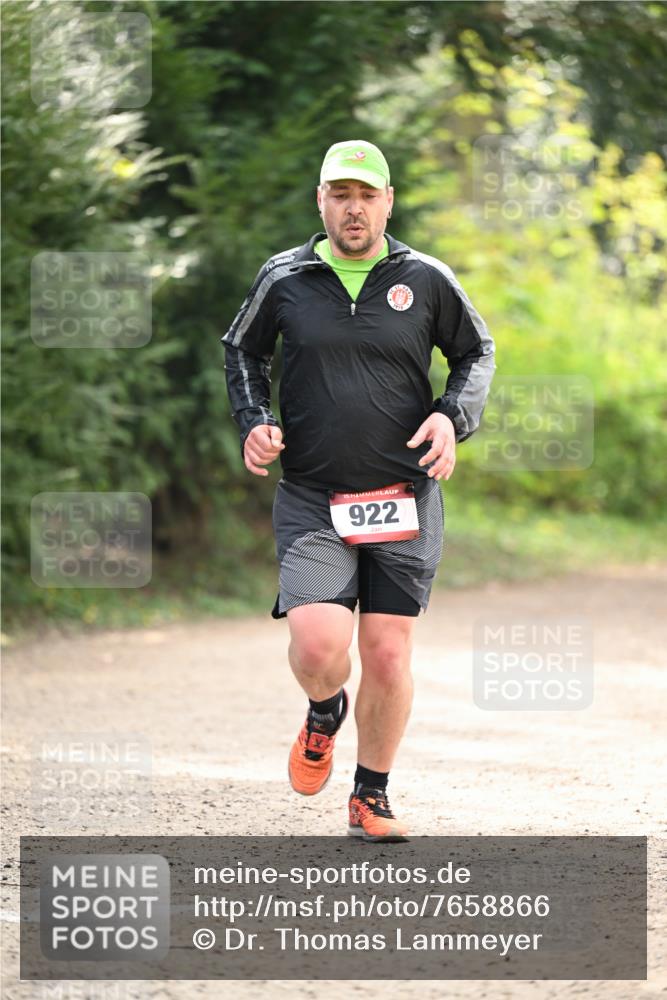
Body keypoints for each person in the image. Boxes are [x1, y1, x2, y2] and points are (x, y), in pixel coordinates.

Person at [223, 140, 495, 841]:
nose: (353, 207)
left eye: (366, 195)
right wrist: (255, 420)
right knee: (318, 648)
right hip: (314, 494)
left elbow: (474, 352)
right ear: (320, 202)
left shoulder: (424, 278)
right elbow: (243, 349)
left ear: (387, 203)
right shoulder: (285, 278)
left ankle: (369, 797)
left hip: (403, 494)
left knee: (386, 651)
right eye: (340, 194)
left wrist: (450, 414)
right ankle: (322, 712)